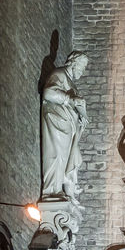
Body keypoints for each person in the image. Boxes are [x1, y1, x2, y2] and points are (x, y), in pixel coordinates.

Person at [40, 50, 90, 202]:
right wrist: (70, 99)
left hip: (68, 125)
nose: (82, 71)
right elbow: (48, 93)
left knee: (67, 158)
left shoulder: (70, 81)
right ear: (73, 62)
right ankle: (51, 191)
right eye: (82, 66)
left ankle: (60, 190)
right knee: (56, 155)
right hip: (57, 121)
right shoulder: (60, 74)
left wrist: (81, 117)